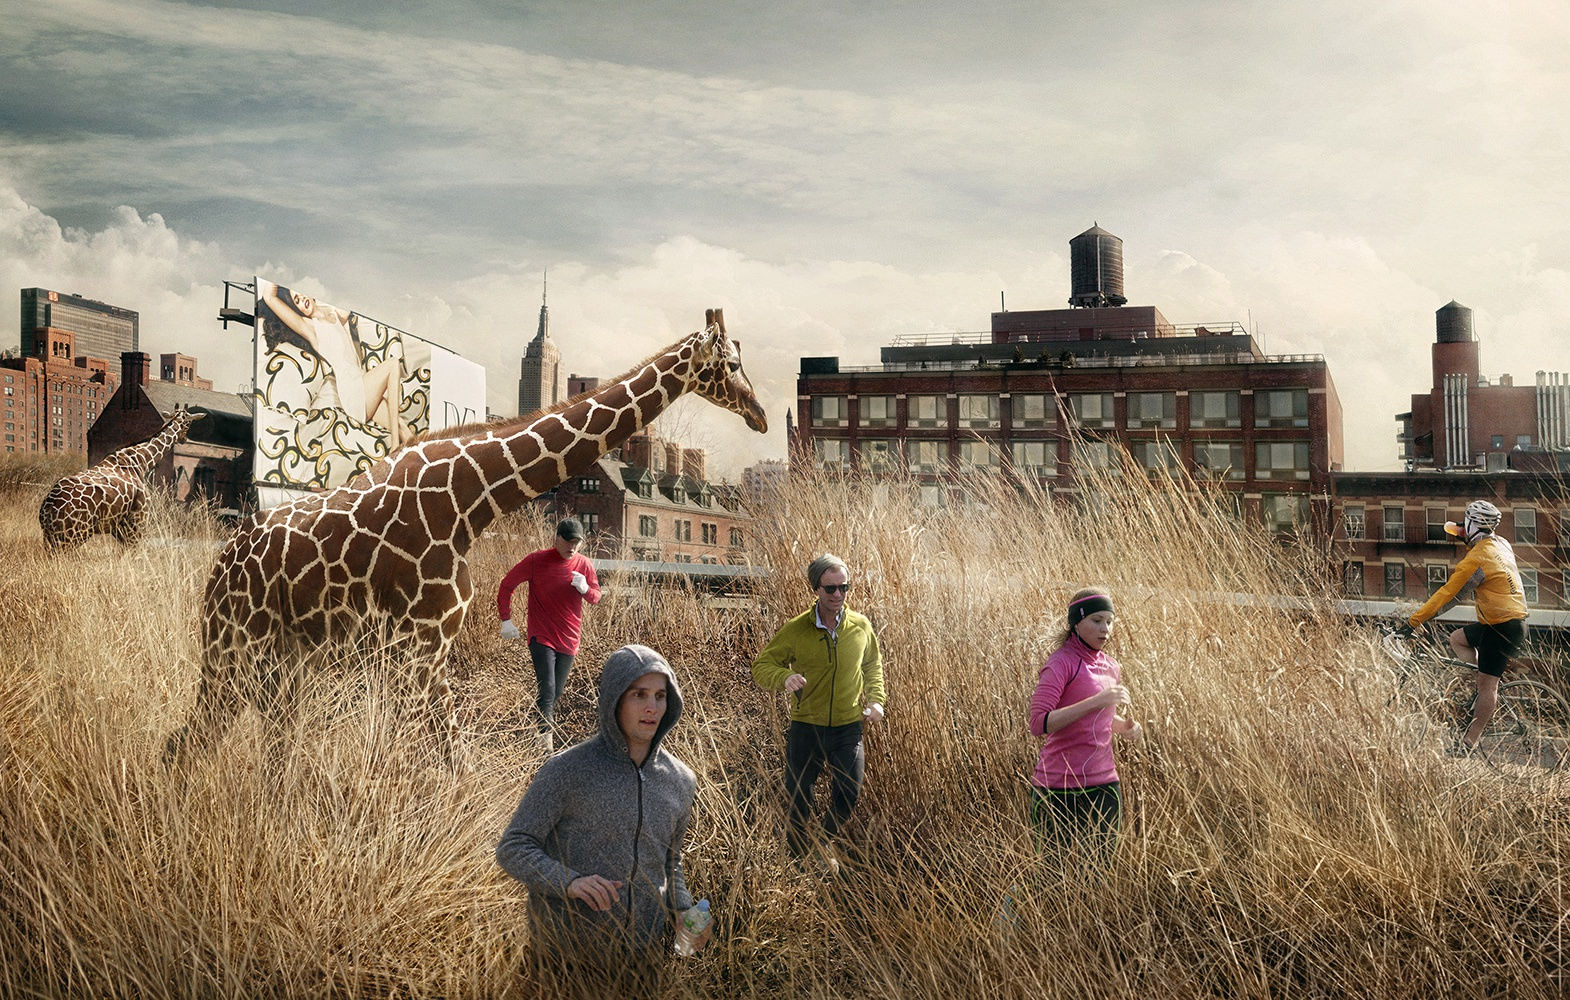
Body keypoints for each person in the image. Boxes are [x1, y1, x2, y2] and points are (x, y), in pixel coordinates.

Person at [496, 645, 705, 998]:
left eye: (659, 695)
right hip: (564, 963)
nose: (652, 707)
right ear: (614, 700)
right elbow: (514, 847)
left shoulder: (680, 780)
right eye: (639, 695)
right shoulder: (566, 771)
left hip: (642, 966)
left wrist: (683, 910)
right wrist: (570, 882)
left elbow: (670, 860)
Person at [751, 553, 886, 865]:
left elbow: (873, 667)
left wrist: (876, 701)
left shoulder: (860, 627)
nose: (838, 595)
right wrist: (784, 677)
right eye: (830, 589)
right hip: (806, 726)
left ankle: (820, 846)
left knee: (849, 791)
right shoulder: (796, 630)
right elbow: (762, 666)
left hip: (847, 726)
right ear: (816, 589)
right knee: (798, 799)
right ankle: (796, 863)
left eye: (843, 587)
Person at [1402, 499, 1529, 751]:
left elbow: (1448, 595)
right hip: (1508, 622)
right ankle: (1481, 692)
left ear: (1474, 524)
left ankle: (1469, 742)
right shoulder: (1501, 544)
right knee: (1457, 638)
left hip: (1502, 628)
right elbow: (1466, 532)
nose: (1463, 527)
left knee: (1487, 685)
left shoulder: (1477, 559)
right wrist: (1461, 529)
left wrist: (1413, 622)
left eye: (1466, 521)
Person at [1027, 588, 1142, 862]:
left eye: (1110, 621)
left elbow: (1096, 719)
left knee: (1099, 871)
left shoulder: (1111, 666)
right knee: (1053, 874)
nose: (1106, 629)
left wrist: (1124, 727)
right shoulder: (1060, 663)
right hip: (1057, 787)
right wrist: (1097, 700)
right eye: (1097, 620)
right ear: (1077, 622)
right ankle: (1012, 905)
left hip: (1104, 784)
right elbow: (1039, 723)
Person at [257, 281, 411, 449]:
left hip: (363, 386)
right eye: (296, 301)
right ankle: (395, 445)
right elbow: (269, 297)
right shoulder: (310, 328)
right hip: (353, 395)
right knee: (393, 364)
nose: (301, 300)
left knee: (405, 430)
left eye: (301, 294)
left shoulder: (333, 312)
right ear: (296, 309)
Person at [498, 518, 602, 750]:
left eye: (576, 542)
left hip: (570, 638)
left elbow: (596, 596)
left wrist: (585, 589)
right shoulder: (536, 560)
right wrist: (506, 619)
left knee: (555, 694)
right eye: (567, 541)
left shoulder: (584, 564)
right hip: (541, 635)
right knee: (548, 687)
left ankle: (531, 732)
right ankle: (546, 745)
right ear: (556, 537)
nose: (572, 547)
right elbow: (507, 585)